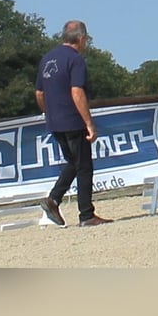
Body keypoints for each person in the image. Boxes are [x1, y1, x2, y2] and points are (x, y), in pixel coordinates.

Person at [35, 20, 113, 227]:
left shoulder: (47, 58)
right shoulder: (75, 59)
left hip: (54, 121)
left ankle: (53, 199)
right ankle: (86, 215)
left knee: (73, 162)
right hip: (72, 120)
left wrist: (48, 113)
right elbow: (77, 92)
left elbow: (39, 93)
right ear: (81, 38)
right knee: (85, 166)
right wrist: (89, 123)